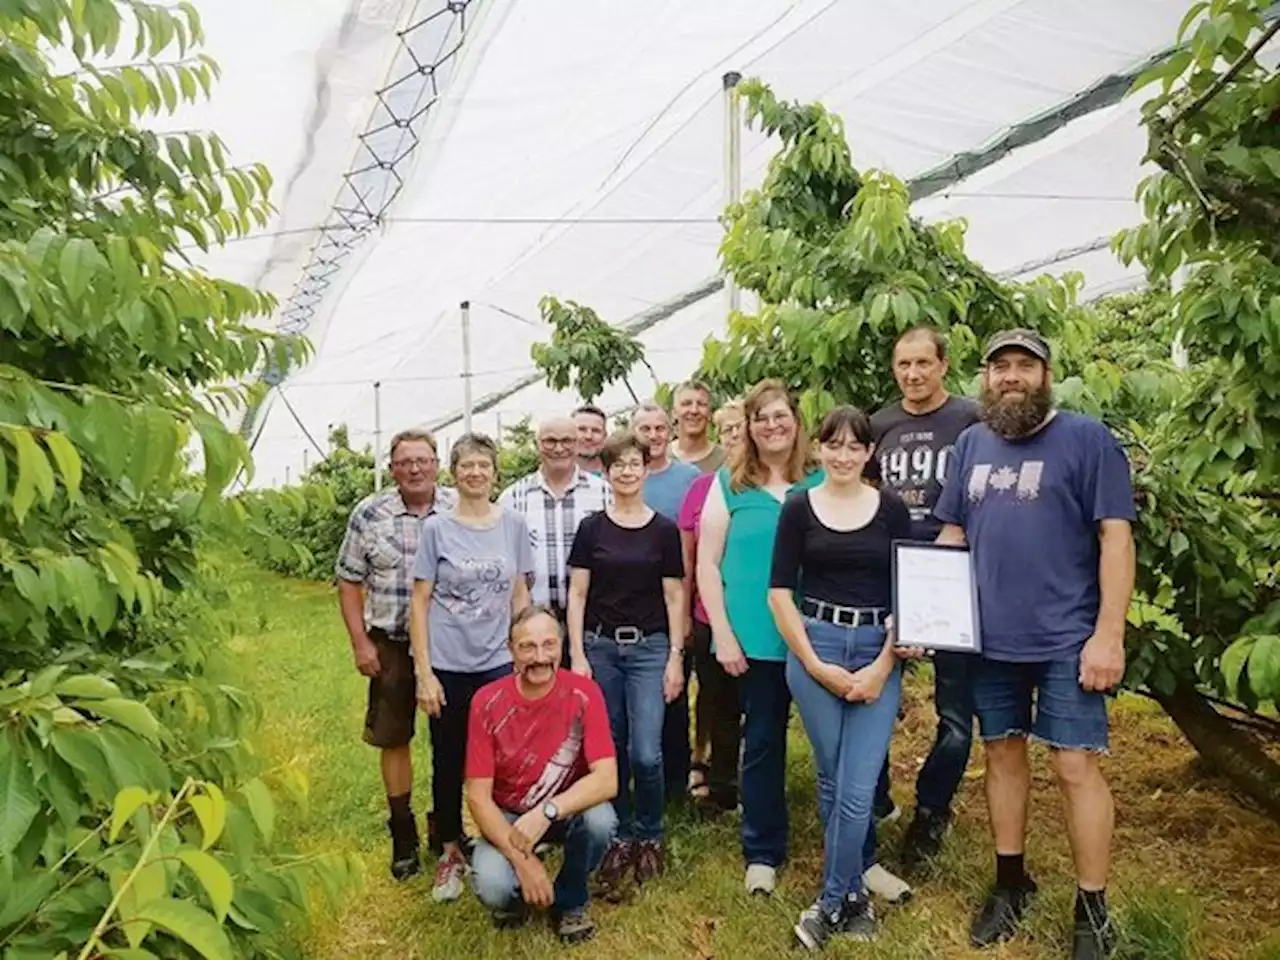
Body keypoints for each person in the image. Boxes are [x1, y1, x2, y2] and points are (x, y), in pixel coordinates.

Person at [933, 329, 1135, 960]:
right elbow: (952, 534)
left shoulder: (1086, 439)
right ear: (985, 378)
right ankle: (1011, 880)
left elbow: (1116, 539)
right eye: (1000, 368)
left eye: (1025, 366)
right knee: (1001, 755)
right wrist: (924, 616)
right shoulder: (970, 443)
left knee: (1075, 765)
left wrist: (1108, 634)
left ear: (1046, 376)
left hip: (1067, 636)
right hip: (988, 639)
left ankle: (1092, 908)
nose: (1011, 377)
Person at [769, 406, 917, 949]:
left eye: (855, 447)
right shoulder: (798, 509)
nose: (844, 456)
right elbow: (780, 592)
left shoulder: (892, 511)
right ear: (819, 450)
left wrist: (882, 668)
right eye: (834, 445)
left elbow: (909, 592)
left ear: (869, 453)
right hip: (818, 645)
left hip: (878, 648)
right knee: (832, 782)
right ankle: (853, 900)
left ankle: (829, 902)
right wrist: (814, 665)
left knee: (856, 790)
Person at [696, 379, 818, 896]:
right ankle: (763, 849)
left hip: (816, 637)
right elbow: (706, 561)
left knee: (836, 745)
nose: (772, 426)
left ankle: (857, 839)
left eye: (780, 416)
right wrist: (722, 633)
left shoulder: (819, 481)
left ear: (796, 422)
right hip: (755, 641)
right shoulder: (729, 484)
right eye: (760, 418)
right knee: (763, 741)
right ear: (748, 427)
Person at [870, 326, 981, 871]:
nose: (912, 374)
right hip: (887, 576)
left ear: (943, 364)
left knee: (956, 711)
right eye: (903, 365)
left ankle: (932, 811)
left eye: (922, 363)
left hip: (951, 578)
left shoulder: (970, 418)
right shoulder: (880, 425)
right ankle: (876, 797)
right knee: (874, 694)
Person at [409, 432, 535, 902]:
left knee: (503, 756)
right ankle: (450, 852)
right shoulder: (437, 529)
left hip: (498, 662)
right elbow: (419, 603)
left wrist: (525, 656)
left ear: (494, 472)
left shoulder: (514, 524)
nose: (475, 473)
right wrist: (425, 672)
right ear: (454, 474)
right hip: (449, 662)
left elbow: (520, 593)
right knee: (449, 758)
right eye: (467, 466)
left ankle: (502, 837)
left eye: (483, 465)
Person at [567, 430, 685, 898]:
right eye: (618, 464)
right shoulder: (592, 528)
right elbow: (577, 594)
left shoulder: (664, 529)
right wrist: (577, 653)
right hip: (601, 648)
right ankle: (616, 834)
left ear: (646, 467)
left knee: (646, 752)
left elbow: (674, 595)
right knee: (609, 747)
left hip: (651, 648)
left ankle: (649, 831)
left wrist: (676, 656)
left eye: (635, 463)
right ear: (607, 471)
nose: (627, 471)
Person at [335, 429, 458, 882]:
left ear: (437, 463)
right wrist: (360, 643)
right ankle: (402, 834)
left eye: (423, 460)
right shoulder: (370, 514)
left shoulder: (457, 507)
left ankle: (446, 826)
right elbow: (348, 581)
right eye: (405, 462)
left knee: (452, 739)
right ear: (392, 468)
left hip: (449, 642)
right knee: (394, 737)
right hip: (391, 641)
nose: (414, 469)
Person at [466, 605, 619, 945]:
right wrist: (525, 862)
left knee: (601, 821)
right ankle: (519, 892)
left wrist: (547, 811)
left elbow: (607, 779)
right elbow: (477, 796)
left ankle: (570, 900)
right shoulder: (486, 702)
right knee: (494, 889)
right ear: (510, 651)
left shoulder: (584, 693)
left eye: (549, 645)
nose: (540, 657)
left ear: (561, 647)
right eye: (527, 647)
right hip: (507, 812)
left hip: (562, 810)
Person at [677, 400, 746, 810]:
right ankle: (722, 785)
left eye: (741, 428)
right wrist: (686, 612)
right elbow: (689, 557)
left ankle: (748, 774)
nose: (735, 437)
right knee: (717, 700)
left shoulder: (772, 486)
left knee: (755, 704)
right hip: (709, 612)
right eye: (728, 432)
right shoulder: (702, 488)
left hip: (760, 613)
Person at [631, 399, 699, 798]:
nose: (653, 436)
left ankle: (675, 781)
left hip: (674, 597)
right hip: (631, 600)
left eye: (660, 429)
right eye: (645, 429)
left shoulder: (689, 478)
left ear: (670, 431)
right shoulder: (622, 476)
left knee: (674, 690)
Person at [499, 415, 609, 633]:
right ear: (537, 445)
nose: (559, 449)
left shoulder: (604, 494)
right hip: (534, 623)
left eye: (567, 441)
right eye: (550, 441)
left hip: (593, 623)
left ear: (577, 444)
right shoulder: (512, 498)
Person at [671, 379, 727, 473]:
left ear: (710, 414)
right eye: (686, 404)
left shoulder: (725, 461)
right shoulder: (659, 458)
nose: (694, 411)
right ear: (674, 413)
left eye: (701, 404)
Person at [573, 404, 608, 475]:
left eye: (596, 430)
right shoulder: (552, 475)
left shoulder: (617, 477)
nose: (588, 436)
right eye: (582, 429)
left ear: (605, 436)